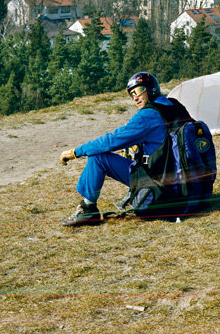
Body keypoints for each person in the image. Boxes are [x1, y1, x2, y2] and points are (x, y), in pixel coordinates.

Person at [58, 70, 188, 226]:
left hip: (161, 189)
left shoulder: (147, 115)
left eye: (139, 90)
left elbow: (110, 141)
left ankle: (88, 209)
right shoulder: (174, 105)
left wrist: (76, 152)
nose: (135, 97)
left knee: (98, 157)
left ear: (150, 88)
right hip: (186, 187)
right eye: (132, 94)